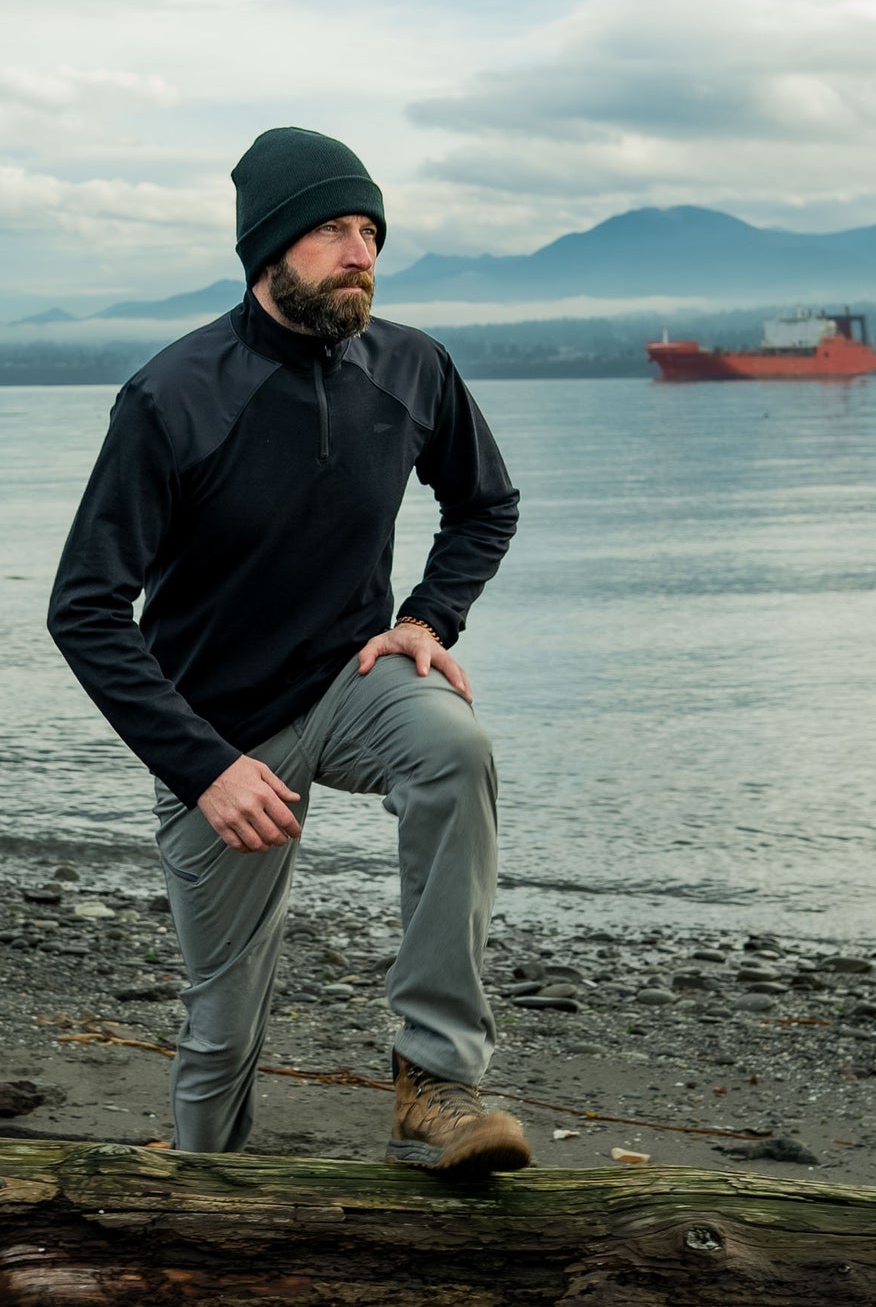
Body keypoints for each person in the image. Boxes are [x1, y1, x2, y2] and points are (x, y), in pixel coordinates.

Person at [48, 126, 528, 1172]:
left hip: (352, 684)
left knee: (456, 750)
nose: (360, 252)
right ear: (268, 249)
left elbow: (485, 504)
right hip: (217, 735)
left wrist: (427, 620)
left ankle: (436, 1088)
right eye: (331, 230)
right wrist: (204, 767)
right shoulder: (172, 397)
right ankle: (206, 1205)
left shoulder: (412, 366)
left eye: (370, 230)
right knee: (222, 1029)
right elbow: (85, 609)